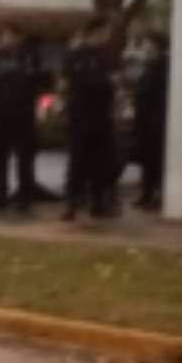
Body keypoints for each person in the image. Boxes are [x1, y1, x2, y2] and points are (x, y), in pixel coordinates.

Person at [0, 24, 51, 212]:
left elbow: (46, 85)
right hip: (0, 112)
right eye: (4, 36)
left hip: (24, 114)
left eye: (10, 36)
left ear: (19, 38)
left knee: (24, 157)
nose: (6, 40)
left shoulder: (31, 57)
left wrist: (43, 111)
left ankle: (24, 197)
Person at [61, 17, 119, 222]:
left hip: (101, 115)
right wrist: (102, 83)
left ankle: (98, 202)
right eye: (105, 31)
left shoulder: (106, 56)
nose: (108, 36)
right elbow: (75, 83)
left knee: (101, 161)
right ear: (96, 31)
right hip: (81, 114)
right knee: (77, 160)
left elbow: (112, 84)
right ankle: (71, 203)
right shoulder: (75, 55)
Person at [132, 31, 170, 210]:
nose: (144, 49)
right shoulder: (147, 67)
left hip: (156, 120)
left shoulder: (163, 67)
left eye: (148, 45)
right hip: (144, 119)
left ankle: (156, 194)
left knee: (156, 159)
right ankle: (146, 193)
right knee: (147, 159)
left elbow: (156, 93)